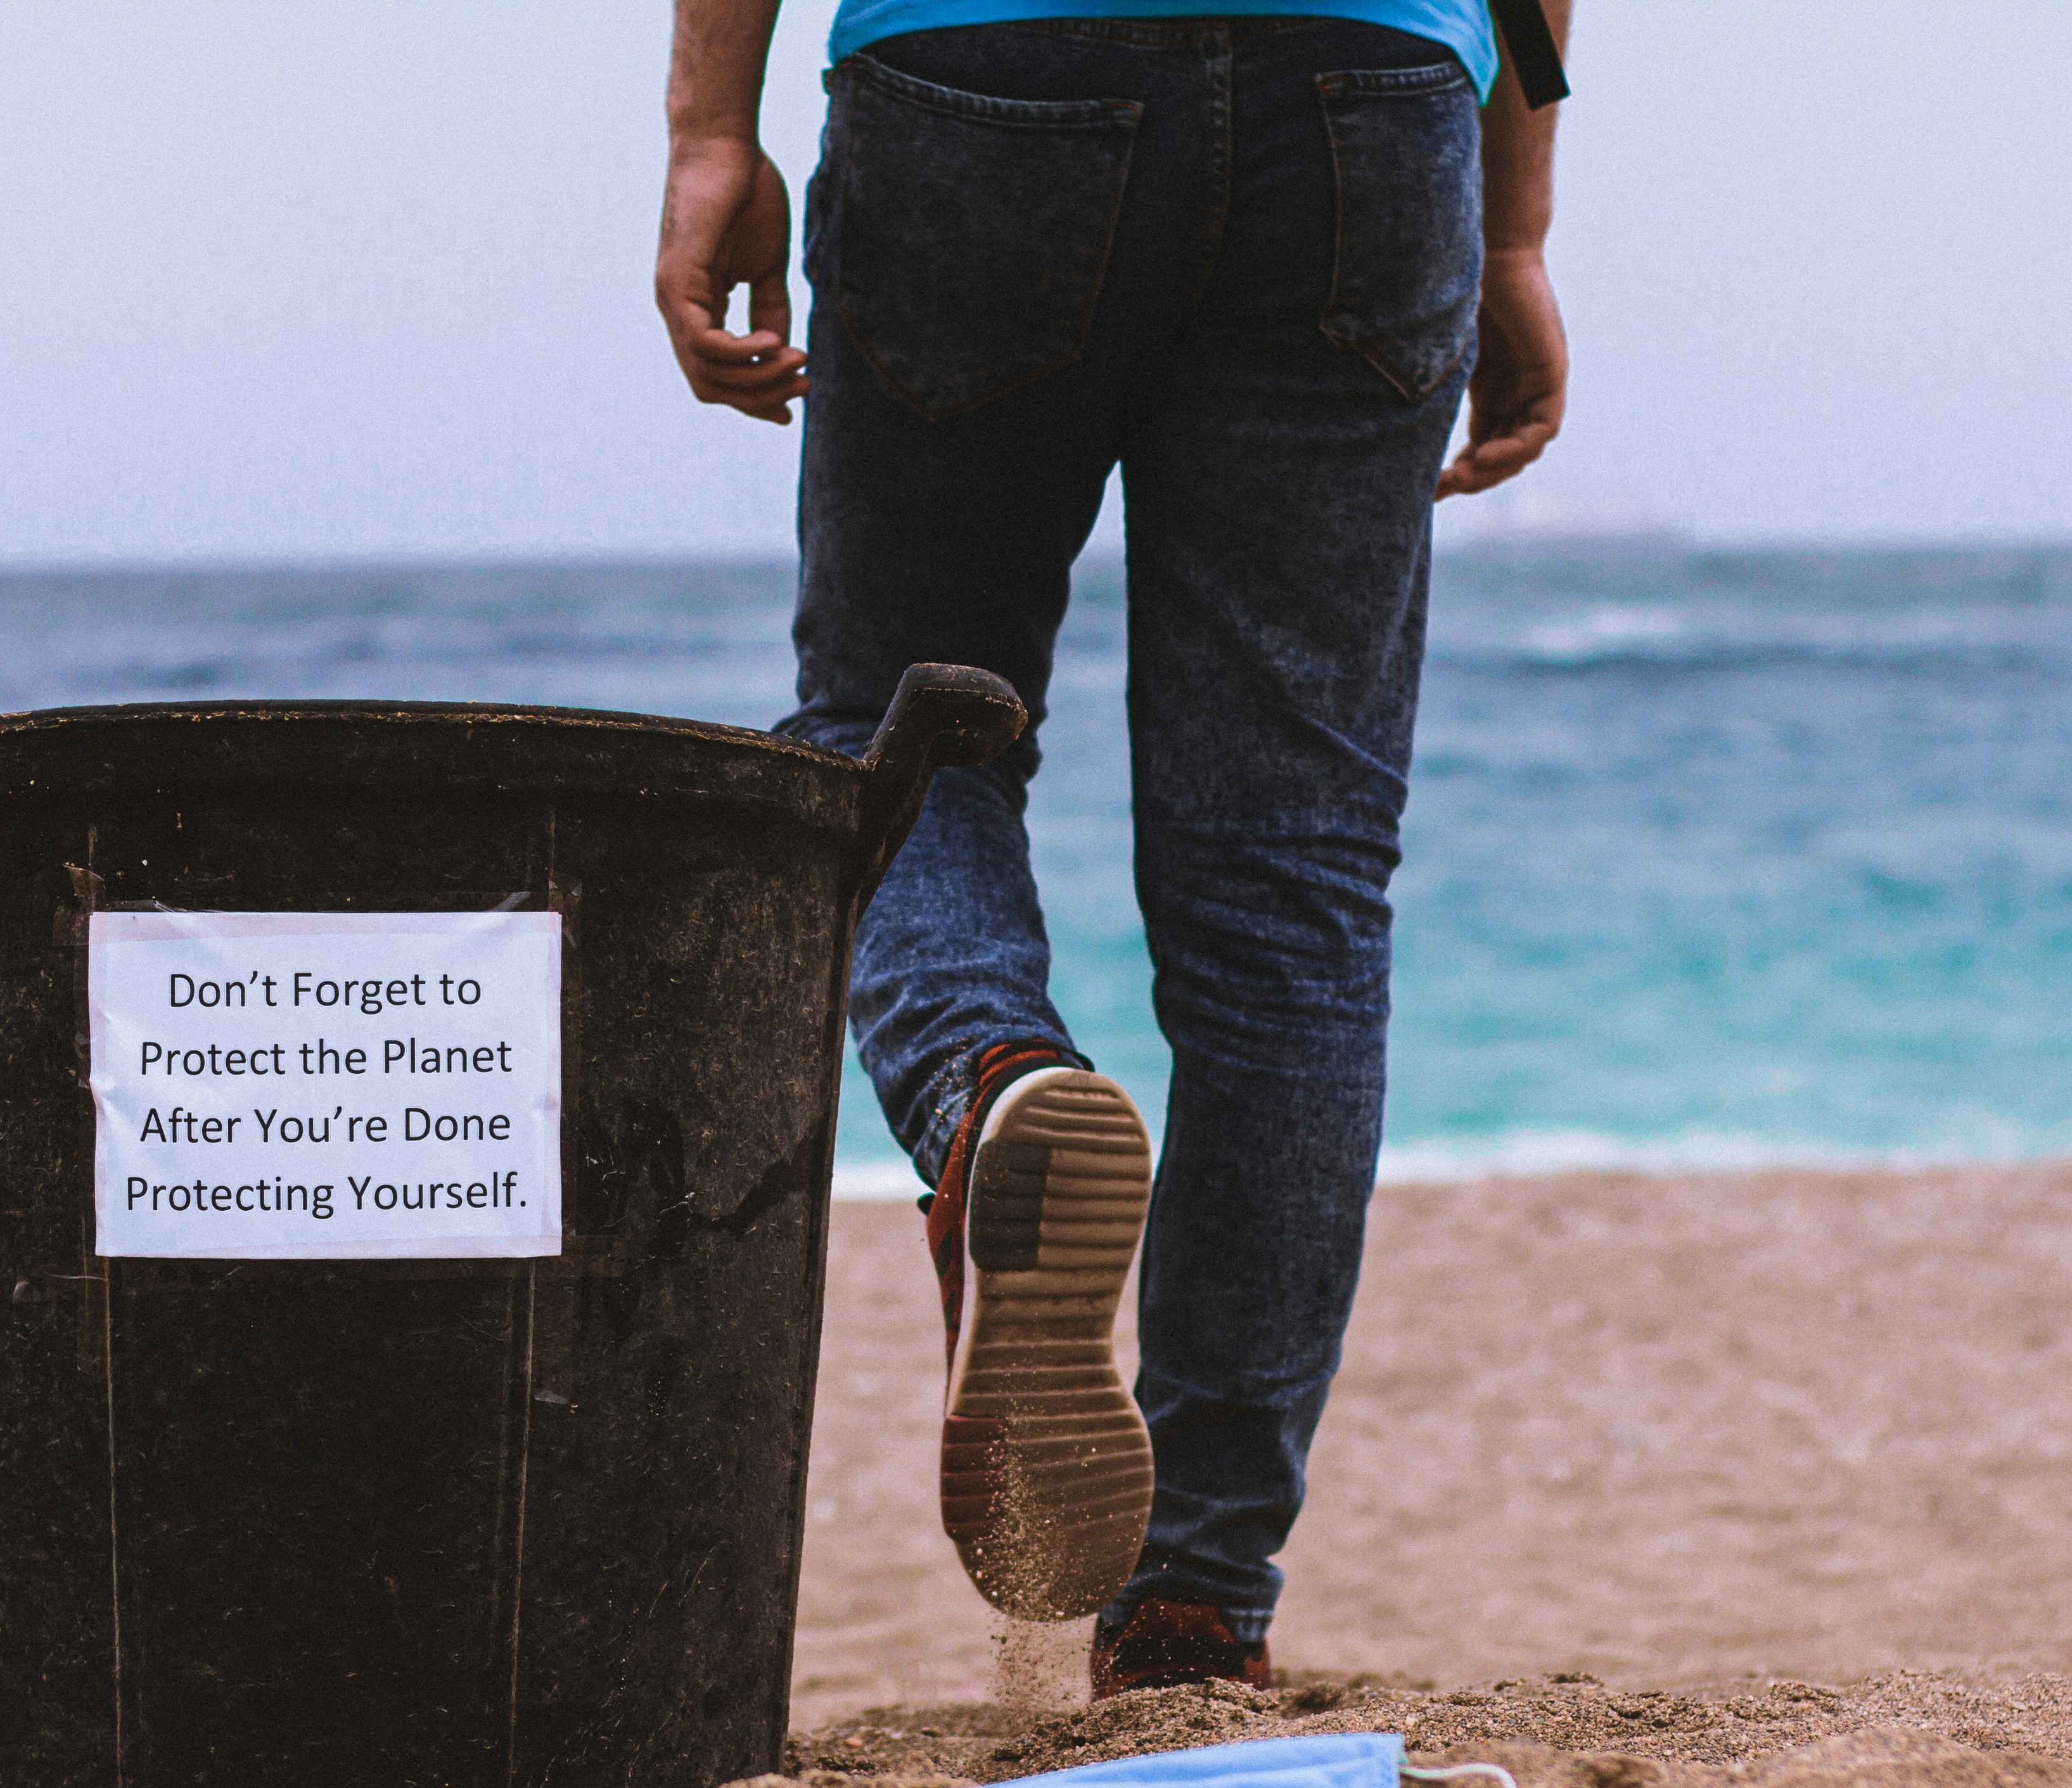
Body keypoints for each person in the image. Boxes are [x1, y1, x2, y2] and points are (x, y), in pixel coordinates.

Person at [656, 0, 1568, 1694]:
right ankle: (1191, 1601)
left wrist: (711, 132)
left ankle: (982, 1075)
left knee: (900, 726)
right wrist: (1514, 223)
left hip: (981, 77)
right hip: (1367, 94)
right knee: (1287, 878)